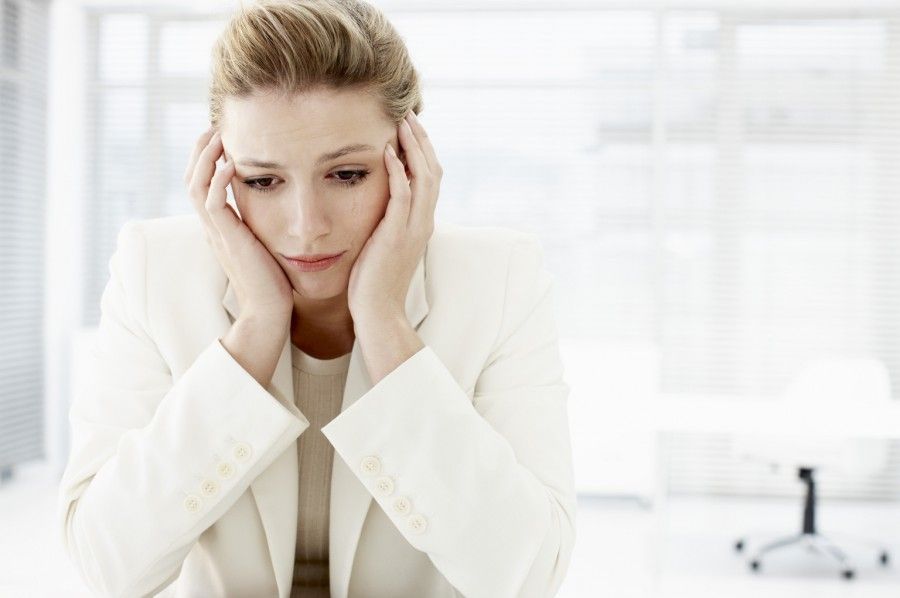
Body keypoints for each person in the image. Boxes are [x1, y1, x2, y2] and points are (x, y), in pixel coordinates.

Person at [56, 1, 576, 596]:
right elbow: (108, 565)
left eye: (347, 174)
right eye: (262, 181)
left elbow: (530, 575)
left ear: (411, 161)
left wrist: (383, 323)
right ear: (221, 173)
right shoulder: (155, 270)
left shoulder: (499, 279)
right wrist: (255, 328)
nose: (306, 226)